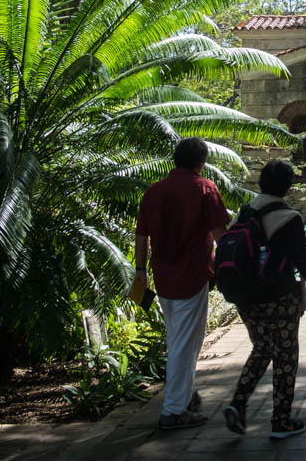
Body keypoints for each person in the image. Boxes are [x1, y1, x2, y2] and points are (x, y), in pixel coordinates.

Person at [223, 160, 306, 440]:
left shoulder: (245, 211)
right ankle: (281, 420)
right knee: (286, 356)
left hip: (246, 297)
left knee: (262, 348)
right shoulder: (288, 217)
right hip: (278, 297)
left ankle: (238, 403)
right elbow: (304, 263)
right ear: (287, 186)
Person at [135, 138, 230, 430]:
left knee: (180, 339)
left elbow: (141, 235)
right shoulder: (205, 188)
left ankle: (186, 396)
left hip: (163, 278)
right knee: (183, 343)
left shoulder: (154, 191)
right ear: (201, 162)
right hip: (193, 277)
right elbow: (220, 234)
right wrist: (231, 267)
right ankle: (174, 411)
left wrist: (140, 271)